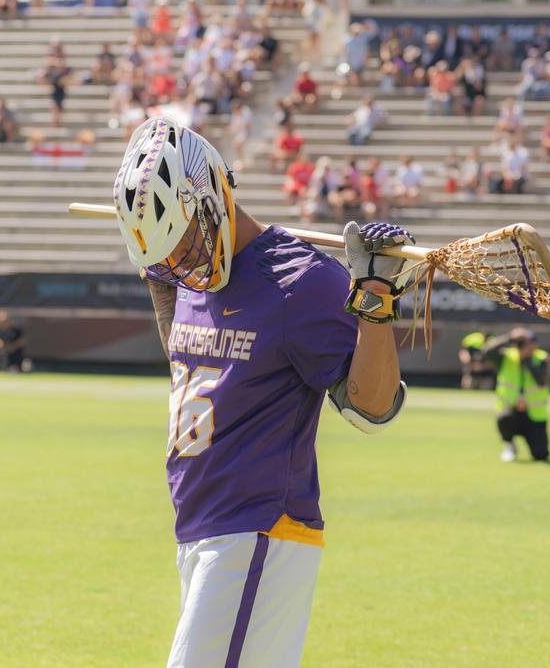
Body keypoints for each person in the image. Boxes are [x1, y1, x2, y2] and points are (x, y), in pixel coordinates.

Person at [115, 116, 410, 667]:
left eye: (184, 247)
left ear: (215, 197)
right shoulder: (186, 275)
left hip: (257, 530)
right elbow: (189, 360)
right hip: (204, 527)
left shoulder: (300, 281)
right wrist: (161, 277)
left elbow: (373, 408)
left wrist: (374, 293)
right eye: (167, 258)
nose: (184, 266)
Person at [480, 328, 550, 462]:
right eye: (521, 343)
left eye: (528, 343)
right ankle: (509, 445)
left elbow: (542, 381)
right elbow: (486, 351)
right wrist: (509, 336)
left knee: (541, 454)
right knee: (503, 418)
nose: (524, 346)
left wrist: (527, 359)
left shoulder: (543, 358)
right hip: (512, 412)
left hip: (534, 415)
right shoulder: (506, 357)